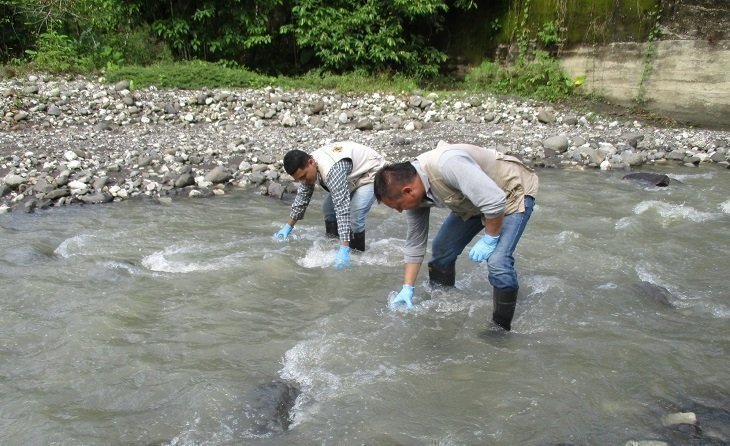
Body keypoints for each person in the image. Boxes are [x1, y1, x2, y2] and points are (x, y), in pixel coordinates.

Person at [373, 141, 538, 331]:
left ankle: (500, 328)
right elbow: (415, 243)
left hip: (510, 192)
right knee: (441, 250)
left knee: (498, 262)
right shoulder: (415, 194)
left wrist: (490, 238)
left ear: (408, 191)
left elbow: (494, 202)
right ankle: (443, 301)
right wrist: (407, 287)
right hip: (475, 201)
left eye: (398, 206)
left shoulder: (448, 164)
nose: (400, 211)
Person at [274, 141, 387, 269]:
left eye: (304, 176)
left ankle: (357, 257)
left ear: (311, 162)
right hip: (353, 175)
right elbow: (302, 198)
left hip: (373, 172)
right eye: (299, 179)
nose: (303, 181)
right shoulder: (309, 167)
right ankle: (333, 245)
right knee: (328, 208)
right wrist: (288, 227)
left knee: (355, 216)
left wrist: (344, 248)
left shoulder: (332, 171)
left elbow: (342, 208)